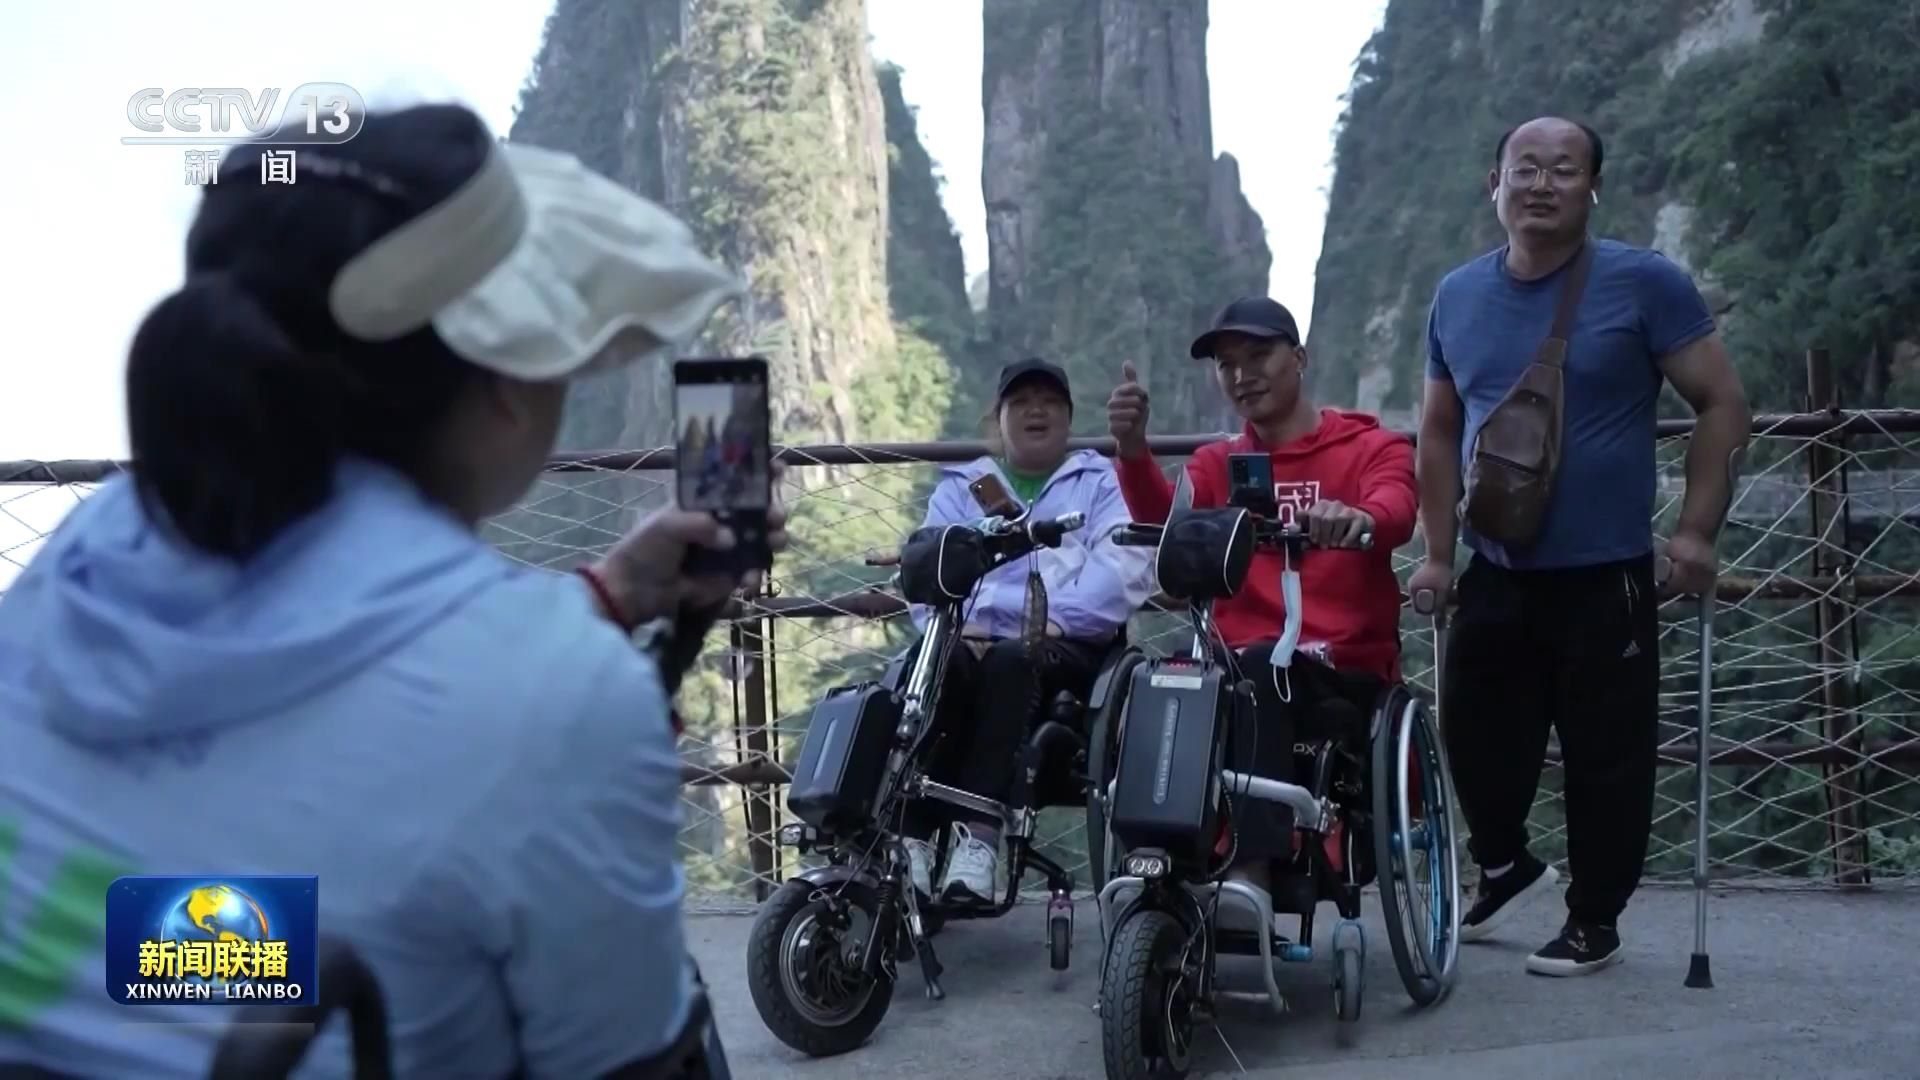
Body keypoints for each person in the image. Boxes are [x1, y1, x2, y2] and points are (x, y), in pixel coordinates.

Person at [0, 104, 786, 1078]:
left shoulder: (87, 551)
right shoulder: (552, 689)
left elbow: (171, 935)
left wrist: (613, 595)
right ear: (505, 382)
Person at [1408, 115, 1750, 976]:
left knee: (1607, 756)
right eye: (1525, 168)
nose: (1542, 184)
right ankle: (1504, 863)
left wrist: (1696, 531)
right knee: (1473, 735)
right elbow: (1439, 431)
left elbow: (1722, 403)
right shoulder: (1457, 296)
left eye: (1565, 170)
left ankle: (1595, 918)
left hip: (1607, 573)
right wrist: (1439, 552)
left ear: (1592, 188)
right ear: (1494, 184)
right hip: (1497, 563)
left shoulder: (1645, 283)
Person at [1106, 298, 1417, 899]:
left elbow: (1397, 506)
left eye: (1258, 356)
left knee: (1253, 669)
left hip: (1338, 670)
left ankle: (1252, 867)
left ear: (1299, 358)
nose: (1242, 375)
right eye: (1227, 365)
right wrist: (1134, 450)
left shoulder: (1371, 446)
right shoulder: (1218, 463)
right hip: (1238, 663)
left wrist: (1358, 516)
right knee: (1163, 679)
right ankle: (1155, 863)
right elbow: (1168, 524)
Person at [903, 359, 1155, 905]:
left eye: (1049, 401)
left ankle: (978, 840)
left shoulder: (1099, 483)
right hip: (968, 639)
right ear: (998, 419)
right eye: (1020, 402)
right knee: (933, 664)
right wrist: (961, 624)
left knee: (1011, 660)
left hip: (1068, 645)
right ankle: (911, 840)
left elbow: (1122, 569)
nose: (1035, 411)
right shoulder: (963, 487)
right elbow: (927, 569)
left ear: (1069, 418)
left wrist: (1051, 619)